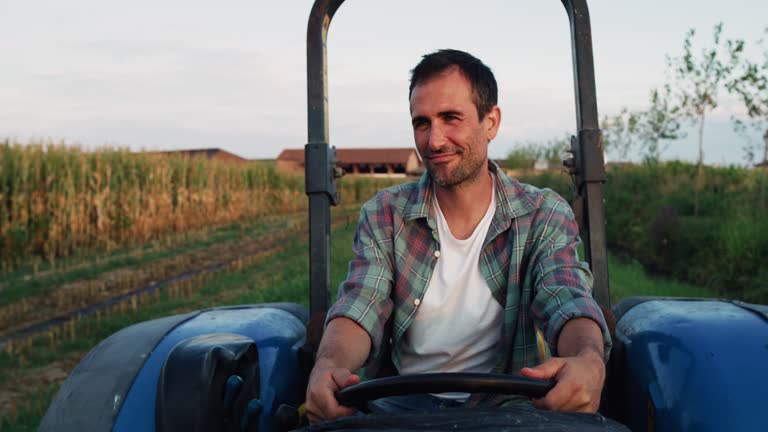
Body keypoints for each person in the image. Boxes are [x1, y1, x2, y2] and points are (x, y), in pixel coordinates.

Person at [305, 49, 612, 424]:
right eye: (422, 122)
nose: (434, 141)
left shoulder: (541, 215)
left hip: (507, 406)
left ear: (491, 122)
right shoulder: (386, 214)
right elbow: (360, 305)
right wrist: (329, 364)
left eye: (451, 118)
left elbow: (566, 297)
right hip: (401, 404)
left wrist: (586, 360)